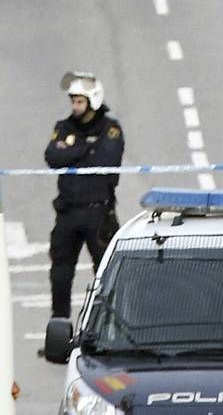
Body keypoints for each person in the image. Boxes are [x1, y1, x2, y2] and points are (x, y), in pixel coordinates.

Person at [44, 72, 124, 320]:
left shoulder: (110, 129)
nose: (75, 106)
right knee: (60, 272)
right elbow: (52, 157)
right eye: (73, 101)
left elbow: (105, 160)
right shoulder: (63, 126)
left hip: (98, 212)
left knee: (105, 271)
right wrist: (85, 147)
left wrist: (72, 149)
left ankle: (109, 324)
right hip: (68, 211)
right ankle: (59, 327)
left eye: (80, 101)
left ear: (93, 100)